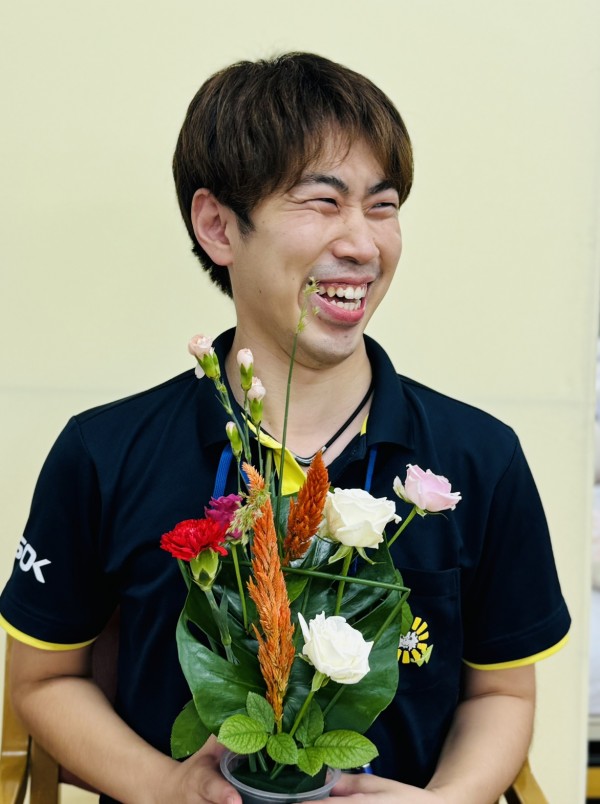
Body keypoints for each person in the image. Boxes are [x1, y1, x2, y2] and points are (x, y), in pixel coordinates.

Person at [0, 53, 570, 803]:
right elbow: (43, 681)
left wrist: (443, 803)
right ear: (218, 226)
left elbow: (501, 693)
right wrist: (164, 787)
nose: (363, 244)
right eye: (323, 202)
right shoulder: (103, 453)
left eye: (383, 206)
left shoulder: (478, 460)